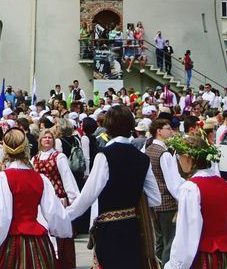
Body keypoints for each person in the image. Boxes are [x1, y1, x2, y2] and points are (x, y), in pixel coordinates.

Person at [65, 104, 160, 269]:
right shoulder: (142, 158)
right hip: (133, 228)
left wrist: (65, 216)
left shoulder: (105, 155)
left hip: (110, 229)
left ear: (108, 126)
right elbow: (155, 198)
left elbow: (88, 196)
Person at [0, 128, 71, 267]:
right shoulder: (40, 178)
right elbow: (55, 213)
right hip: (39, 243)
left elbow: (0, 218)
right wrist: (63, 231)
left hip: (13, 243)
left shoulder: (3, 178)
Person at [165, 131, 227, 269]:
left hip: (203, 258)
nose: (179, 161)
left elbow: (188, 232)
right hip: (226, 257)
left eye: (179, 157)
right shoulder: (224, 184)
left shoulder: (190, 188)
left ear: (188, 158)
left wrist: (176, 264)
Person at [33, 128, 79, 269]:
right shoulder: (34, 159)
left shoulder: (59, 157)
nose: (47, 139)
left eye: (50, 137)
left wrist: (74, 200)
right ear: (40, 140)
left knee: (60, 235)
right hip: (40, 203)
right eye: (45, 137)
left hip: (58, 200)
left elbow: (67, 178)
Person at [143, 116, 177, 268]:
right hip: (166, 202)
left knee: (159, 239)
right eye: (168, 129)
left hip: (152, 202)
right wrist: (180, 199)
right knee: (169, 240)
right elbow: (172, 182)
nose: (171, 131)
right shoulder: (164, 153)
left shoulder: (147, 150)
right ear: (159, 131)